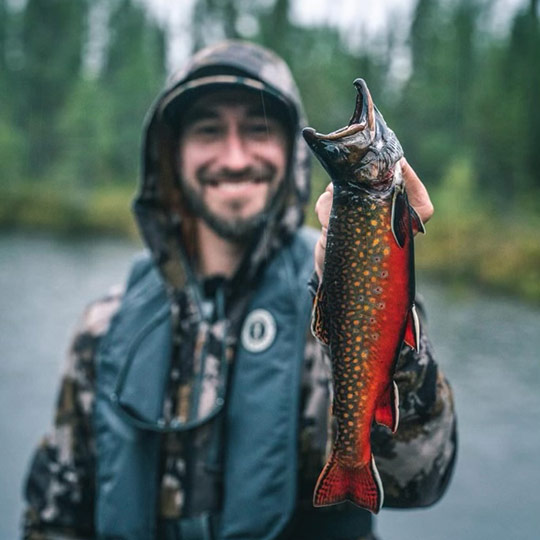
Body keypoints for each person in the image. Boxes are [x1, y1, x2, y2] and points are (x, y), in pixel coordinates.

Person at [22, 40, 457, 540]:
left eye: (258, 129)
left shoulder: (325, 306)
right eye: (209, 130)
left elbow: (420, 478)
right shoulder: (102, 328)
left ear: (291, 152)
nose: (234, 157)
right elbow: (51, 521)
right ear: (173, 152)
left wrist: (372, 291)